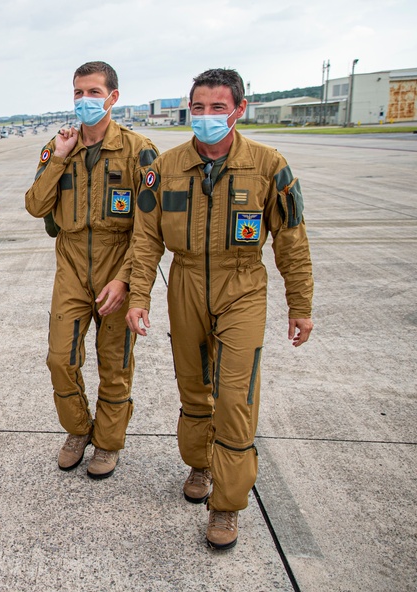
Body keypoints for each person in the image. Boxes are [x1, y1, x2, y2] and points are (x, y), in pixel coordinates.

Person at [126, 68, 314, 549]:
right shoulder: (164, 168)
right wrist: (139, 295)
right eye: (198, 108)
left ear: (239, 110)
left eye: (217, 107)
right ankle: (199, 464)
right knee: (193, 390)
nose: (206, 117)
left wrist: (301, 304)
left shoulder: (269, 165)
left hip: (243, 286)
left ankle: (226, 507)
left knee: (235, 399)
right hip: (185, 282)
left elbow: (290, 240)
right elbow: (146, 240)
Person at [25, 61, 159, 479]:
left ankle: (107, 443)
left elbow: (150, 229)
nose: (85, 101)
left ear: (113, 97)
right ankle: (79, 429)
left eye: (94, 93)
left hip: (118, 263)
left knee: (114, 365)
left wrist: (126, 279)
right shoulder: (58, 146)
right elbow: (35, 205)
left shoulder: (140, 151)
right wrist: (59, 161)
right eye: (78, 93)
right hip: (70, 267)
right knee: (59, 359)